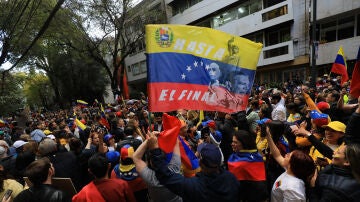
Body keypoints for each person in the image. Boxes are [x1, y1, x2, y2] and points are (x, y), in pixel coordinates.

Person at [147, 132, 240, 202]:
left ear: (200, 163)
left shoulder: (195, 186)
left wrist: (155, 151)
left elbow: (166, 177)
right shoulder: (232, 178)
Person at [266, 126, 316, 202]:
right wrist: (268, 135)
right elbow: (277, 155)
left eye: (289, 155)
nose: (286, 154)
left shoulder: (293, 189)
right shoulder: (290, 171)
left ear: (293, 164)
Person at [132, 133, 182, 202]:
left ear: (151, 163)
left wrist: (149, 140)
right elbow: (176, 142)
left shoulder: (150, 178)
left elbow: (135, 157)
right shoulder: (174, 170)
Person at [228, 130, 268, 202]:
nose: (232, 144)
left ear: (244, 143)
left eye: (235, 142)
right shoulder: (257, 155)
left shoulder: (239, 164)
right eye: (232, 141)